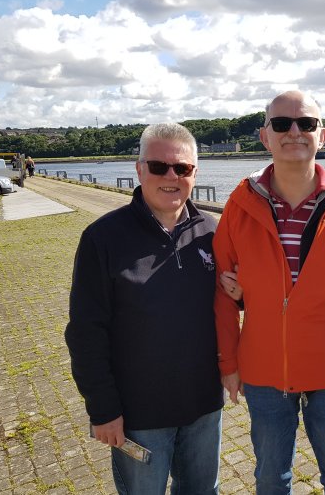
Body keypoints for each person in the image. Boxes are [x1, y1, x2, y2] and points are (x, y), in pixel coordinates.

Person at [213, 90, 325, 494]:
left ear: (321, 136)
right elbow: (222, 295)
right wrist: (228, 363)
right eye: (281, 124)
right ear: (265, 136)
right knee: (271, 479)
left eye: (305, 123)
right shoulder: (240, 207)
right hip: (264, 369)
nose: (294, 131)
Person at [65, 123, 236, 494]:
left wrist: (241, 295)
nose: (171, 176)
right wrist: (103, 410)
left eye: (182, 168)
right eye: (158, 167)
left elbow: (229, 304)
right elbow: (85, 332)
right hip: (139, 415)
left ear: (195, 173)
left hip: (204, 406)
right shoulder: (102, 238)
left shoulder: (213, 231)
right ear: (139, 169)